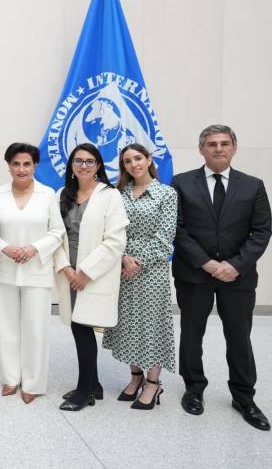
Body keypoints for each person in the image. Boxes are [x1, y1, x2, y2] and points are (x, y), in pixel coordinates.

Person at [172, 124, 271, 430]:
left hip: (238, 277)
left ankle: (244, 397)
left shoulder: (253, 185)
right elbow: (177, 228)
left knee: (239, 336)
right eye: (212, 144)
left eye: (224, 143)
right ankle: (193, 389)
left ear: (234, 148)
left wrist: (235, 265)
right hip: (194, 274)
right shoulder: (181, 183)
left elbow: (262, 231)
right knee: (192, 334)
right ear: (201, 149)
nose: (218, 148)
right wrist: (206, 263)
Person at [102, 144, 177, 410]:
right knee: (128, 323)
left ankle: (153, 383)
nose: (133, 164)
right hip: (121, 266)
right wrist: (124, 257)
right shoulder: (118, 194)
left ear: (148, 160)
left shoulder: (166, 194)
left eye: (138, 158)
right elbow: (110, 230)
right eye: (127, 161)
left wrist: (138, 261)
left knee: (152, 325)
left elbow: (165, 236)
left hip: (152, 269)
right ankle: (136, 377)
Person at [0, 143, 64, 403]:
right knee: (6, 326)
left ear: (35, 166)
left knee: (35, 327)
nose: (21, 169)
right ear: (8, 166)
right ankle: (11, 378)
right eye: (16, 164)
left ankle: (33, 382)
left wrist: (34, 249)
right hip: (5, 268)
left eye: (27, 164)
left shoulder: (48, 194)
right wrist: (4, 248)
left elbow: (57, 231)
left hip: (37, 269)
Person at [54, 143, 128, 411]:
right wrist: (66, 267)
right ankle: (94, 384)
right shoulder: (62, 194)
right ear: (71, 165)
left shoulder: (110, 195)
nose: (83, 165)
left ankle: (84, 392)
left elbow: (115, 240)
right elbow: (55, 234)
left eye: (89, 161)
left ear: (98, 165)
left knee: (83, 328)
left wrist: (86, 272)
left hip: (94, 273)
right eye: (78, 161)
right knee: (78, 326)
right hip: (69, 270)